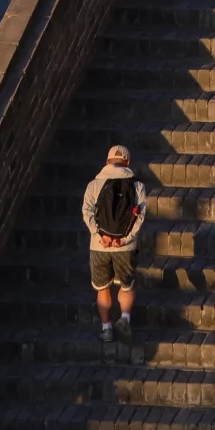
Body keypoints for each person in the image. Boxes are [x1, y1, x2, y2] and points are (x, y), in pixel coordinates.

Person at [82, 144, 147, 346]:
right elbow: (140, 217)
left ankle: (106, 328)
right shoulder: (137, 186)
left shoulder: (94, 184)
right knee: (126, 286)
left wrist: (99, 235)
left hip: (99, 246)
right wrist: (124, 239)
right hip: (124, 248)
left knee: (103, 289)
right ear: (127, 162)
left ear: (107, 161)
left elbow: (87, 212)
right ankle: (125, 319)